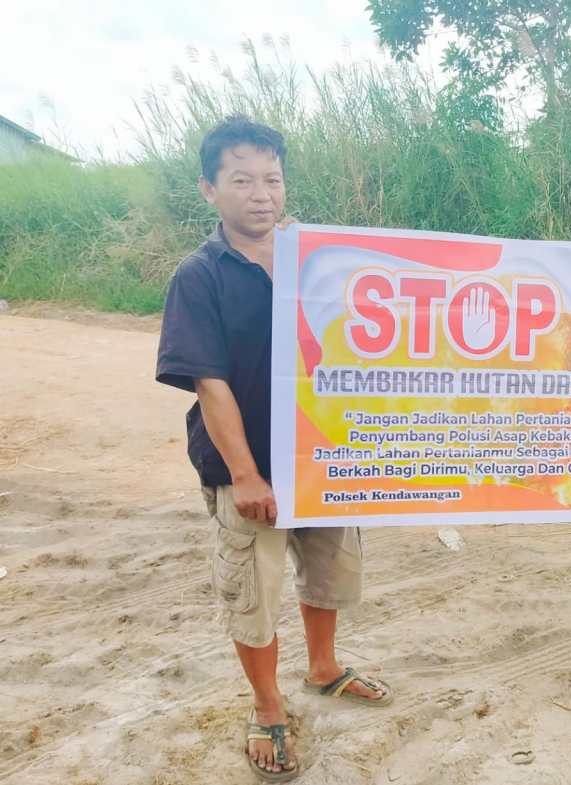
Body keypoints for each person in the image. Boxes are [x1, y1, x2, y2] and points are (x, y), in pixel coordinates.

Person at [156, 116, 393, 781]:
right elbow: (210, 383)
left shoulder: (315, 261)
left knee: (328, 571)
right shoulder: (200, 275)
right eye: (242, 180)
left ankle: (323, 667)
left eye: (272, 179)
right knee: (253, 593)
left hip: (319, 459)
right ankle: (266, 704)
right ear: (209, 189)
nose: (261, 194)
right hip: (248, 470)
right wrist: (245, 473)